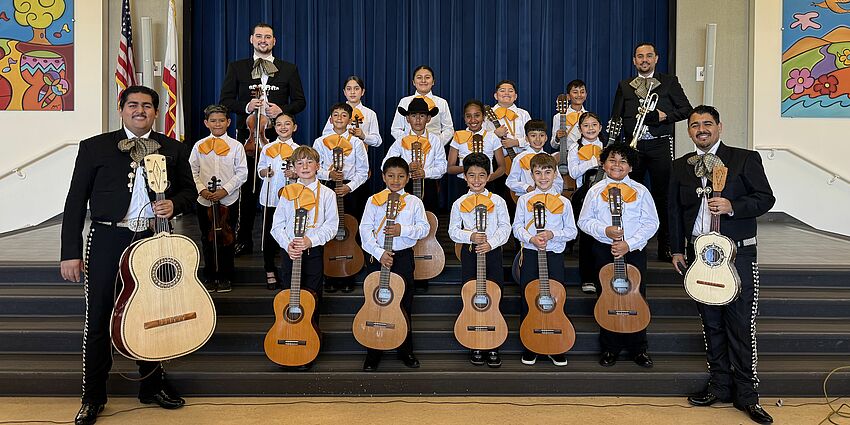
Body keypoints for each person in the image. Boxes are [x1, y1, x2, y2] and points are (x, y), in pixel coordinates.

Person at [60, 85, 196, 425]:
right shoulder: (94, 147)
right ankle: (93, 396)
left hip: (152, 239)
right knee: (100, 316)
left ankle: (151, 386)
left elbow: (190, 193)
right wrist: (69, 253)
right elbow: (75, 202)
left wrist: (174, 204)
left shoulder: (173, 148)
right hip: (107, 236)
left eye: (147, 106)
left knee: (151, 311)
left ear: (156, 111)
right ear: (121, 109)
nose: (140, 111)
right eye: (133, 105)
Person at [669, 105, 775, 424]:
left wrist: (732, 206)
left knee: (740, 325)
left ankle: (747, 395)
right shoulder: (680, 167)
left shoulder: (744, 158)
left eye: (707, 123)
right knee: (711, 324)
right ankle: (720, 386)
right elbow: (674, 210)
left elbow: (765, 198)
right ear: (689, 131)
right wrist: (676, 250)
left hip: (737, 255)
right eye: (695, 125)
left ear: (719, 127)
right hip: (701, 258)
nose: (701, 129)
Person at [219, 22, 306, 256]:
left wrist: (282, 110)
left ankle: (281, 240)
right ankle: (244, 239)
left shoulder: (289, 69)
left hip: (279, 140)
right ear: (251, 40)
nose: (263, 40)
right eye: (259, 36)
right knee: (246, 191)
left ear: (274, 41)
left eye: (268, 37)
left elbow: (300, 102)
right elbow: (225, 100)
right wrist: (246, 105)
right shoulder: (237, 67)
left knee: (283, 189)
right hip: (249, 140)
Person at [577, 144, 659, 369]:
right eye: (612, 160)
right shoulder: (595, 190)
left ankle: (638, 348)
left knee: (636, 297)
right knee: (607, 297)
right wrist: (605, 231)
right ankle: (609, 347)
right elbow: (583, 221)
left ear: (631, 167)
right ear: (603, 164)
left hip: (632, 252)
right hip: (604, 250)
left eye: (623, 161)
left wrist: (629, 244)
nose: (617, 165)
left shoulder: (641, 191)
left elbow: (651, 223)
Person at [611, 42, 692, 262]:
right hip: (632, 147)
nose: (644, 60)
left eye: (648, 56)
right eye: (640, 56)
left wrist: (663, 116)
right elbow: (616, 117)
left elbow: (686, 109)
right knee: (628, 195)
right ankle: (629, 242)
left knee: (664, 196)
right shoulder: (625, 85)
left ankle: (667, 246)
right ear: (634, 61)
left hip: (660, 144)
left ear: (656, 58)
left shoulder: (669, 82)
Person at [270, 146, 339, 370]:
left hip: (313, 252)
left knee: (312, 298)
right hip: (290, 252)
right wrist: (287, 243)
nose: (305, 167)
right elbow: (277, 225)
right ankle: (288, 337)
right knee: (289, 297)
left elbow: (332, 226)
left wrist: (310, 240)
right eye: (299, 164)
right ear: (293, 168)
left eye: (309, 163)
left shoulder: (327, 194)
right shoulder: (287, 193)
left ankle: (309, 340)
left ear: (318, 166)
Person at [359, 157, 430, 371]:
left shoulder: (414, 202)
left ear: (408, 178)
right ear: (383, 177)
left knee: (404, 305)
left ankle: (405, 349)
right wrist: (380, 253)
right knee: (376, 303)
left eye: (400, 176)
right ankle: (374, 351)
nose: (395, 180)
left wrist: (403, 230)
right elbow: (364, 230)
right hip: (378, 257)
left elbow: (424, 229)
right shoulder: (374, 200)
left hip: (402, 258)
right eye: (391, 176)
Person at [512, 153, 577, 367]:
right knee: (529, 298)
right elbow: (517, 227)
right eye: (538, 172)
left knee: (557, 298)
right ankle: (530, 345)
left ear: (555, 173)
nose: (543, 177)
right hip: (531, 254)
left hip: (554, 255)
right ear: (531, 175)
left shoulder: (564, 202)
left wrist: (552, 235)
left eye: (547, 172)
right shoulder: (524, 200)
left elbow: (572, 231)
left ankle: (557, 344)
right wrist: (531, 237)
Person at [448, 153, 511, 367]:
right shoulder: (459, 203)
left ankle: (494, 342)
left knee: (494, 295)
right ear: (464, 177)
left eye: (482, 175)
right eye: (472, 175)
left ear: (489, 176)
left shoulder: (498, 201)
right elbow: (452, 231)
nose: (476, 180)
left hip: (492, 253)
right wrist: (471, 236)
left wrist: (491, 243)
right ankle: (474, 340)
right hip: (470, 252)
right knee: (471, 295)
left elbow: (505, 227)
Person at [189, 104, 248, 293]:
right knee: (207, 237)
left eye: (221, 120)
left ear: (228, 122)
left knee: (227, 238)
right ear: (206, 123)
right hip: (204, 200)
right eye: (213, 121)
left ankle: (225, 275)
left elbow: (242, 173)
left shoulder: (236, 146)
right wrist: (201, 190)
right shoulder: (199, 146)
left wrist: (225, 190)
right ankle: (210, 275)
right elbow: (192, 170)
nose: (217, 124)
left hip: (228, 199)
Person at [313, 102, 369, 293]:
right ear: (330, 119)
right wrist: (328, 175)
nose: (339, 118)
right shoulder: (320, 142)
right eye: (335, 115)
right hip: (328, 187)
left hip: (350, 189)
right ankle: (329, 273)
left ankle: (349, 272)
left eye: (343, 115)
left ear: (349, 120)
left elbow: (363, 171)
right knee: (327, 228)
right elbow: (314, 168)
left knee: (350, 228)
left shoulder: (356, 143)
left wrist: (348, 187)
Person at [258, 112, 300, 290]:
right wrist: (264, 172)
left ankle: (287, 272)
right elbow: (260, 168)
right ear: (274, 128)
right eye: (279, 124)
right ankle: (269, 271)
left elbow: (305, 174)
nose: (283, 127)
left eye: (287, 124)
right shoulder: (268, 148)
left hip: (290, 199)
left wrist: (295, 174)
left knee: (288, 236)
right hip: (269, 198)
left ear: (294, 127)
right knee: (268, 236)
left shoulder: (299, 150)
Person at [566, 112, 606, 294]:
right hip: (584, 194)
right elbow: (573, 172)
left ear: (600, 127)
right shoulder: (575, 147)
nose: (590, 128)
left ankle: (605, 276)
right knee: (587, 236)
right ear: (580, 129)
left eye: (594, 125)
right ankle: (587, 277)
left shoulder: (607, 146)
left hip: (605, 196)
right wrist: (594, 161)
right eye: (586, 125)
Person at [446, 99, 506, 187]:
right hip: (463, 183)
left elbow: (502, 167)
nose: (473, 120)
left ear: (484, 117)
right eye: (468, 116)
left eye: (477, 115)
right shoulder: (458, 135)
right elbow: (450, 168)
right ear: (464, 118)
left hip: (487, 183)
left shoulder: (492, 136)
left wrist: (489, 177)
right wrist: (468, 169)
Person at [390, 65, 454, 146]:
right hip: (409, 149)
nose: (423, 81)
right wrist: (409, 141)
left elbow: (448, 129)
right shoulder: (404, 102)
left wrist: (435, 143)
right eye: (419, 77)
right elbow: (395, 129)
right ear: (413, 82)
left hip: (434, 149)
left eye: (427, 77)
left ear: (433, 81)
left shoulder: (441, 102)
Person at [506, 120, 564, 201]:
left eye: (541, 135)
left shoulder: (550, 158)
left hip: (549, 200)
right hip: (527, 200)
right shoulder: (519, 158)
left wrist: (549, 192)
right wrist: (527, 188)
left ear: (546, 138)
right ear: (526, 138)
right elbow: (510, 181)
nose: (538, 139)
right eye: (533, 135)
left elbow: (559, 183)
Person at [321, 75, 382, 149]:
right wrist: (343, 134)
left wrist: (363, 136)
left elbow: (377, 141)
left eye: (356, 89)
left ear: (362, 92)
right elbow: (325, 134)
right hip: (338, 154)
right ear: (344, 92)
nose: (352, 92)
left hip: (361, 156)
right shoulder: (336, 112)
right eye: (349, 89)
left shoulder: (370, 114)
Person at [550, 79, 588, 151]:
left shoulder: (589, 116)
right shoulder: (559, 116)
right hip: (566, 155)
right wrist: (557, 138)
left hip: (585, 155)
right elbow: (553, 145)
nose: (579, 95)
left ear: (586, 95)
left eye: (582, 92)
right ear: (568, 96)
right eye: (575, 92)